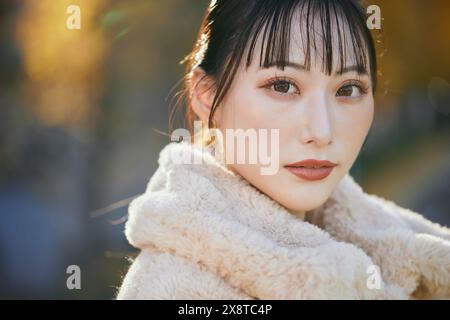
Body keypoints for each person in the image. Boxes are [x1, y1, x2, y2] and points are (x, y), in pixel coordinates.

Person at [116, 0, 450, 299]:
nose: (321, 131)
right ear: (206, 96)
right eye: (282, 85)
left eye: (348, 89)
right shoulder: (172, 290)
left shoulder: (410, 250)